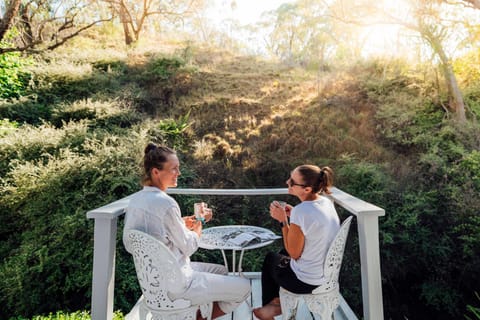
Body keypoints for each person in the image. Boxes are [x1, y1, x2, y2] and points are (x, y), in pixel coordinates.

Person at [123, 143, 251, 320]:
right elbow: (190, 247)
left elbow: (137, 241)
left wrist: (181, 223)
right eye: (174, 169)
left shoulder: (136, 201)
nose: (179, 173)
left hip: (153, 282)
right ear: (155, 172)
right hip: (179, 283)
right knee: (244, 287)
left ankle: (198, 313)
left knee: (221, 271)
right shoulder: (166, 203)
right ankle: (198, 318)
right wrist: (199, 222)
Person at [253, 165, 340, 320]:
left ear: (306, 189)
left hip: (305, 282)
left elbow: (294, 254)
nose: (287, 182)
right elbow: (313, 227)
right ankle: (276, 302)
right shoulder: (326, 202)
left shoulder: (302, 211)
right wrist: (293, 216)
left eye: (292, 182)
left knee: (270, 259)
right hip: (326, 275)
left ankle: (271, 308)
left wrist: (283, 221)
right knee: (282, 254)